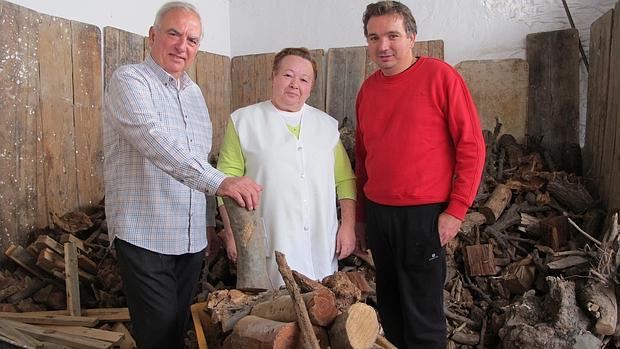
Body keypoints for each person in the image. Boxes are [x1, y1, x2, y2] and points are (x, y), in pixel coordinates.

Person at [103, 2, 261, 348]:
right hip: (145, 233)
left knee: (176, 330)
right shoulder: (129, 80)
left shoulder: (193, 93)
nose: (182, 45)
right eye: (174, 34)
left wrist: (205, 222)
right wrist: (221, 180)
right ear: (152, 36)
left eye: (192, 40)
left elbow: (197, 157)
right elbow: (153, 141)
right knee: (158, 334)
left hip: (189, 239)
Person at [355, 1, 486, 348]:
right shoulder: (367, 90)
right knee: (392, 311)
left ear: (412, 37)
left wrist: (456, 209)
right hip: (380, 216)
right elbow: (363, 159)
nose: (383, 46)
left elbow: (472, 146)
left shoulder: (441, 77)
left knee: (423, 318)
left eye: (392, 35)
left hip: (424, 216)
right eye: (374, 37)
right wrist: (362, 219)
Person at [217, 47, 356, 287]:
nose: (295, 84)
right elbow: (225, 184)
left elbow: (345, 181)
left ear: (311, 86)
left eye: (304, 79)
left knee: (321, 307)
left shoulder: (326, 126)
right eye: (287, 75)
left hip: (321, 240)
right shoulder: (244, 121)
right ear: (273, 76)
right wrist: (232, 234)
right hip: (270, 239)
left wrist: (348, 227)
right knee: (274, 312)